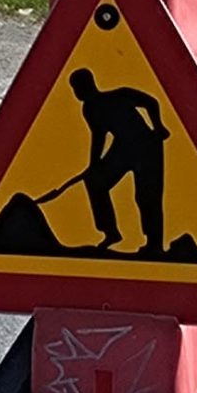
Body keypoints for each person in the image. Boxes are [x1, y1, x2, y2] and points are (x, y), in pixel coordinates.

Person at [71, 68, 168, 254]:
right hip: (122, 149)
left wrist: (158, 127)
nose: (76, 92)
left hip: (147, 146)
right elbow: (99, 136)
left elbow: (151, 102)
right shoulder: (89, 109)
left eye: (77, 87)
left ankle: (155, 245)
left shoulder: (120, 95)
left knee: (147, 197)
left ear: (87, 85)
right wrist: (94, 165)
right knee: (95, 182)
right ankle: (111, 231)